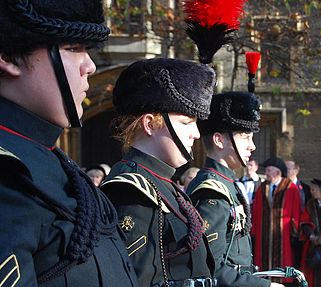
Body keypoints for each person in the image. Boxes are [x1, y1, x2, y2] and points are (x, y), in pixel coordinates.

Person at [0, 1, 138, 285]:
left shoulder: (55, 162)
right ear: (9, 56)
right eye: (73, 48)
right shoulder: (9, 175)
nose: (90, 66)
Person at [101, 58, 216, 287]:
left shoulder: (164, 184)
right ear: (150, 124)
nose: (195, 133)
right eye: (186, 122)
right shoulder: (132, 189)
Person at [185, 91, 279, 287]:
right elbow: (209, 267)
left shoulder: (226, 183)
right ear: (219, 140)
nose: (252, 146)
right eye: (245, 137)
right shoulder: (212, 190)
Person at [252, 157, 303, 274]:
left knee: (282, 261)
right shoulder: (262, 187)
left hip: (282, 233)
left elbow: (295, 210)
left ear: (277, 172)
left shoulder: (290, 187)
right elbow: (256, 210)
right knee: (262, 264)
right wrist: (254, 229)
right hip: (263, 232)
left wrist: (295, 230)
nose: (266, 173)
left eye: (269, 170)